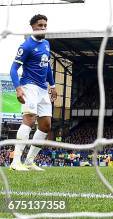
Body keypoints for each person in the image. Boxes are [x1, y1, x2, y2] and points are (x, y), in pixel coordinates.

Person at [9, 14, 57, 171]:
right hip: (29, 86)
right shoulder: (26, 46)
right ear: (32, 27)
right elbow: (13, 69)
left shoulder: (47, 44)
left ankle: (29, 161)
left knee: (46, 125)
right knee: (29, 120)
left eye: (45, 25)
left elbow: (48, 67)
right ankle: (16, 162)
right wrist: (18, 88)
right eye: (40, 25)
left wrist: (53, 85)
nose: (43, 28)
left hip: (43, 89)